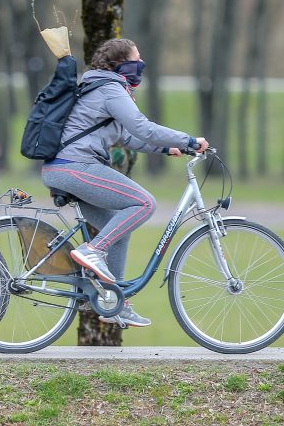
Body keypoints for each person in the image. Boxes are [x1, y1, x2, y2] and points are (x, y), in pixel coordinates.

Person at [40, 38, 208, 327]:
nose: (141, 64)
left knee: (118, 225)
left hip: (64, 168)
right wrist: (189, 139)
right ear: (122, 64)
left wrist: (167, 148)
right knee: (143, 203)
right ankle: (91, 251)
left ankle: (114, 300)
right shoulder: (109, 88)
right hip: (76, 166)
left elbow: (127, 136)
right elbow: (142, 127)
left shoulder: (100, 86)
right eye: (137, 59)